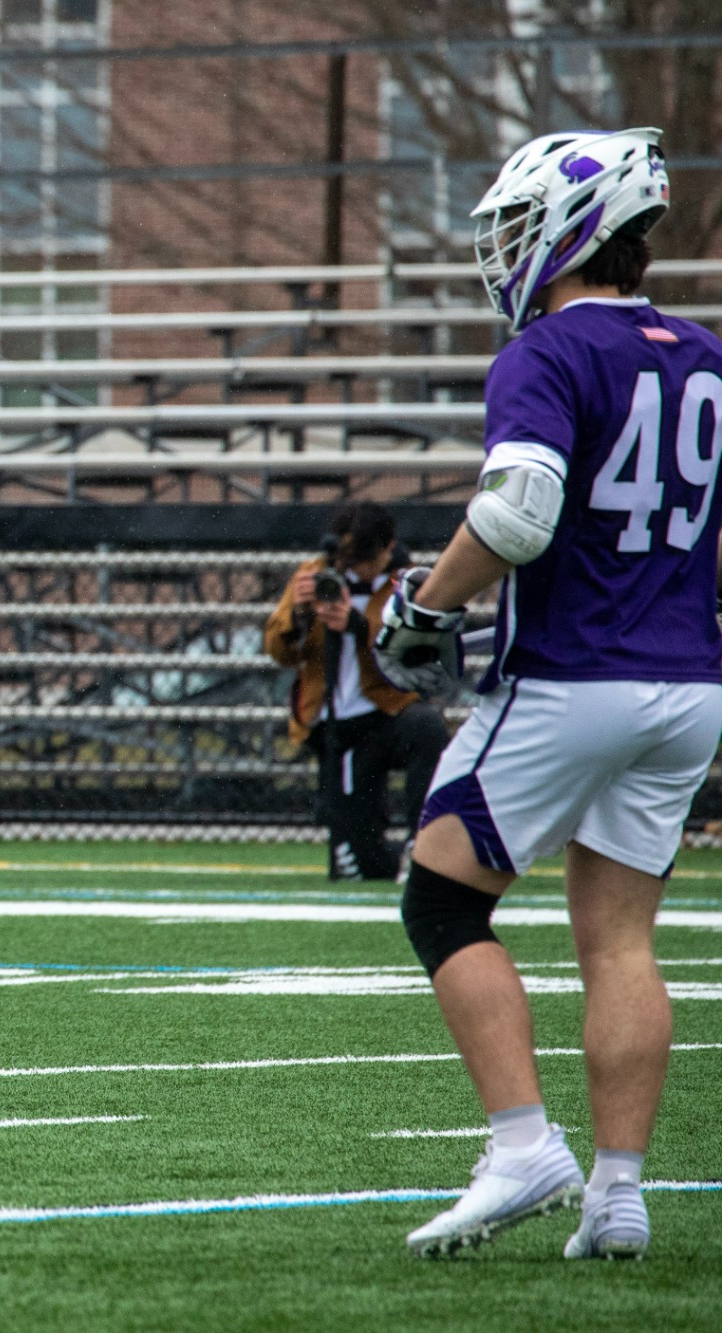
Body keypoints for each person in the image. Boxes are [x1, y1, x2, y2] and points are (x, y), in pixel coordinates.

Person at [375, 127, 706, 1261]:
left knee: (439, 900)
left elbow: (516, 514)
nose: (504, 253)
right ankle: (619, 1191)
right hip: (686, 682)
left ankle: (521, 1147)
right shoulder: (705, 355)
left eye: (518, 228)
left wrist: (423, 608)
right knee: (619, 940)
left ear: (576, 230)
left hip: (572, 672)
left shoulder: (546, 353)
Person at [264, 503, 446, 880]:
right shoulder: (314, 576)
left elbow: (416, 651)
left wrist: (358, 627)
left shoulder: (408, 582)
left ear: (388, 547)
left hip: (388, 713)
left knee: (427, 727)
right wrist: (299, 615)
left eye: (368, 559)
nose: (359, 569)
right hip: (336, 725)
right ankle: (386, 857)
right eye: (352, 559)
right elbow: (279, 653)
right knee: (357, 867)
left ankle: (424, 844)